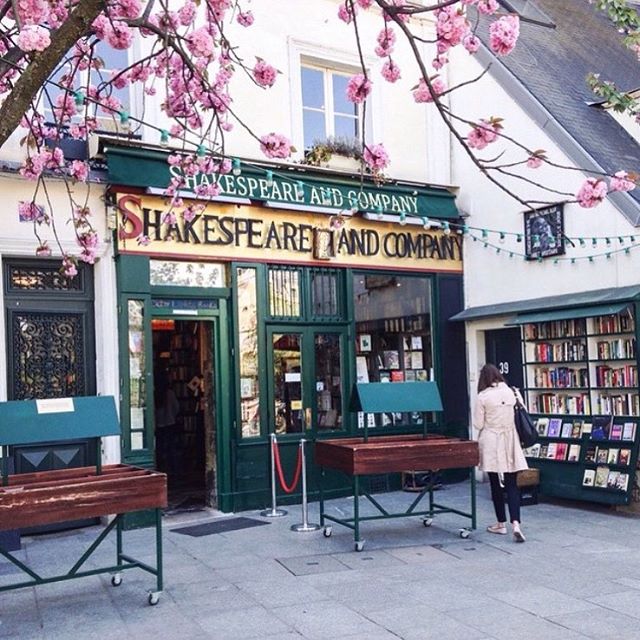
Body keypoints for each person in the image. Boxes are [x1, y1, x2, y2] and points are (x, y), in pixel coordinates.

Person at [473, 363, 528, 542]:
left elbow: (478, 424)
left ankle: (500, 524)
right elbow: (524, 412)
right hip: (510, 439)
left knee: (495, 483)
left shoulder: (483, 396)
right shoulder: (513, 392)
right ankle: (516, 524)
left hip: (491, 440)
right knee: (512, 483)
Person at [155, 371, 180, 474]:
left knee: (160, 448)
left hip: (159, 425)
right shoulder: (170, 393)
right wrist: (172, 416)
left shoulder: (155, 394)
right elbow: (176, 408)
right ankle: (173, 468)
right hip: (170, 424)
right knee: (171, 447)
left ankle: (160, 467)